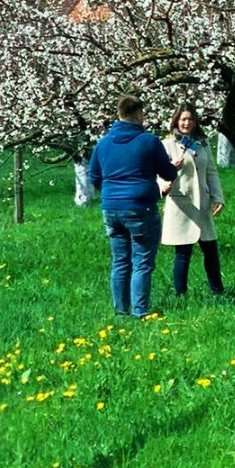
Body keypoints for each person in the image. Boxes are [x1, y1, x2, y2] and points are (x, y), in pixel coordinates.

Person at [89, 93, 178, 318]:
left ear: (119, 114)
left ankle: (121, 311)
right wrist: (173, 168)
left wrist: (110, 192)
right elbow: (166, 172)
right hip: (140, 207)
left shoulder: (103, 143)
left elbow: (94, 177)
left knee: (120, 261)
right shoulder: (148, 141)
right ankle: (140, 311)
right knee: (142, 261)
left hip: (110, 207)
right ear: (139, 114)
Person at [158, 103, 225, 298]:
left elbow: (211, 172)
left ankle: (218, 291)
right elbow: (159, 173)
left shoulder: (202, 144)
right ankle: (181, 295)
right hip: (182, 204)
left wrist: (218, 197)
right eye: (183, 119)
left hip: (202, 204)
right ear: (176, 120)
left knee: (210, 249)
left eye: (190, 119)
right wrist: (170, 170)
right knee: (183, 252)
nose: (187, 123)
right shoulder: (167, 145)